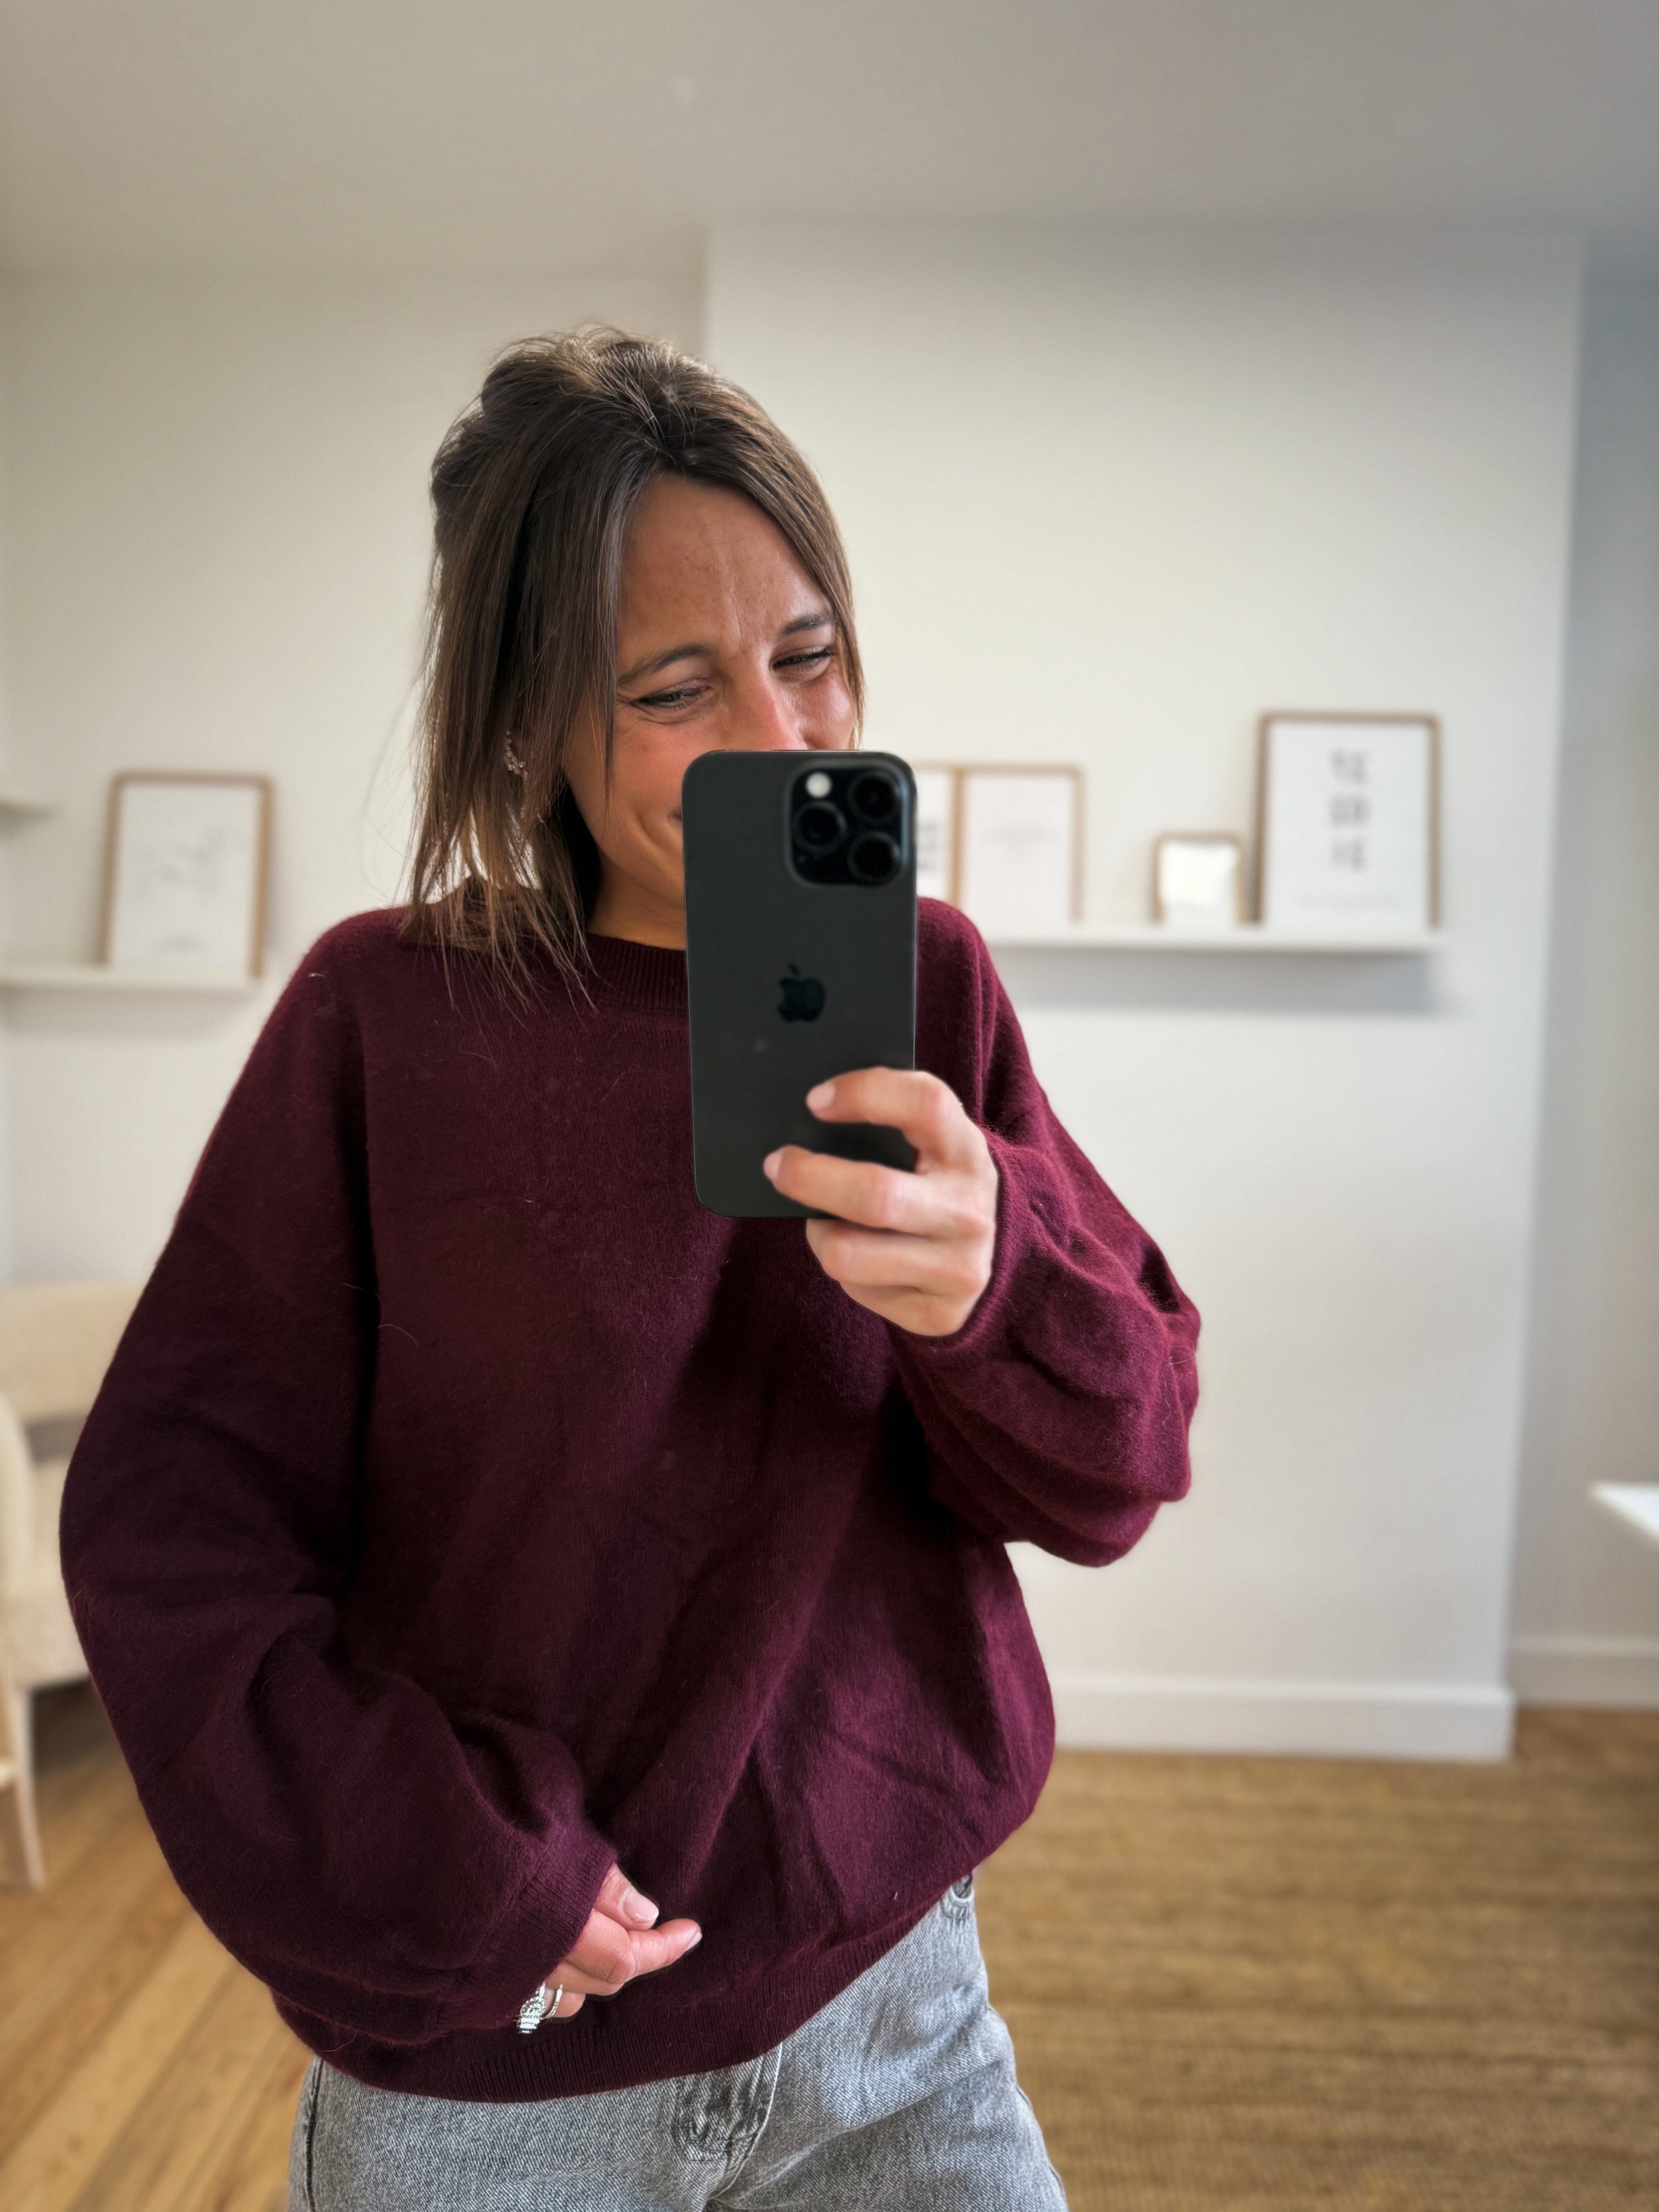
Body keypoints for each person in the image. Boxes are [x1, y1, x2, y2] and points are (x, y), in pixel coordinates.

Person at [61, 330, 1200, 2211]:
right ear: (527, 728)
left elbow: (1122, 1468)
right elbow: (170, 1530)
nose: (781, 736)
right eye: (675, 686)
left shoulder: (931, 985)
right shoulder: (388, 1021)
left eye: (809, 653)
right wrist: (466, 1880)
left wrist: (1001, 1284)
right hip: (503, 2069)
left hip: (894, 2012)